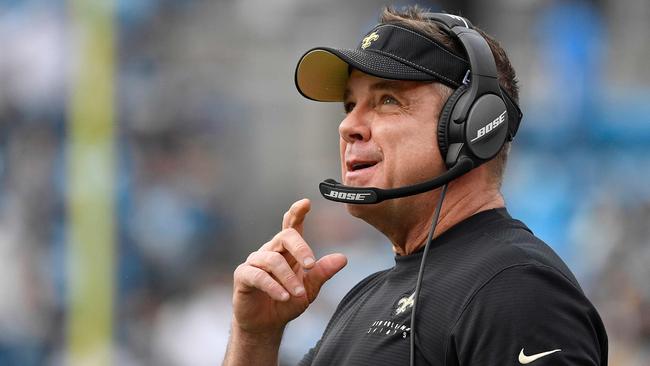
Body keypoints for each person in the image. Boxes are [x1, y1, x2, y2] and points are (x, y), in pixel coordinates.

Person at [223, 6, 608, 366]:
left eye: (388, 100)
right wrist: (255, 337)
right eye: (349, 105)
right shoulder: (364, 296)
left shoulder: (518, 290)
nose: (347, 126)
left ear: (471, 126)